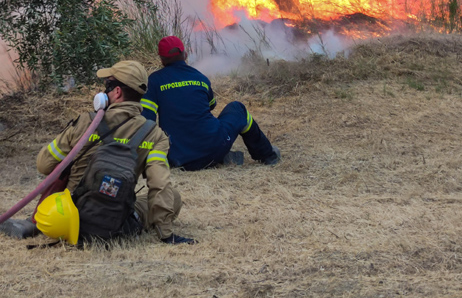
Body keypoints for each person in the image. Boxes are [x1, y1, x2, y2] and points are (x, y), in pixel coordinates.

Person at [35, 60, 195, 245]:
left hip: (69, 217)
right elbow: (159, 183)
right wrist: (165, 233)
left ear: (117, 92)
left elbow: (44, 165)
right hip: (116, 219)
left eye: (107, 86)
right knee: (172, 197)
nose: (104, 92)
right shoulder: (154, 135)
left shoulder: (85, 122)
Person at [141, 36, 280, 170]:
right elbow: (211, 105)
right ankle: (268, 155)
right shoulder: (200, 78)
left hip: (177, 157)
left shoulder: (153, 81)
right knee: (238, 109)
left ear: (161, 60)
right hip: (214, 149)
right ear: (185, 54)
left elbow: (147, 121)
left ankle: (219, 157)